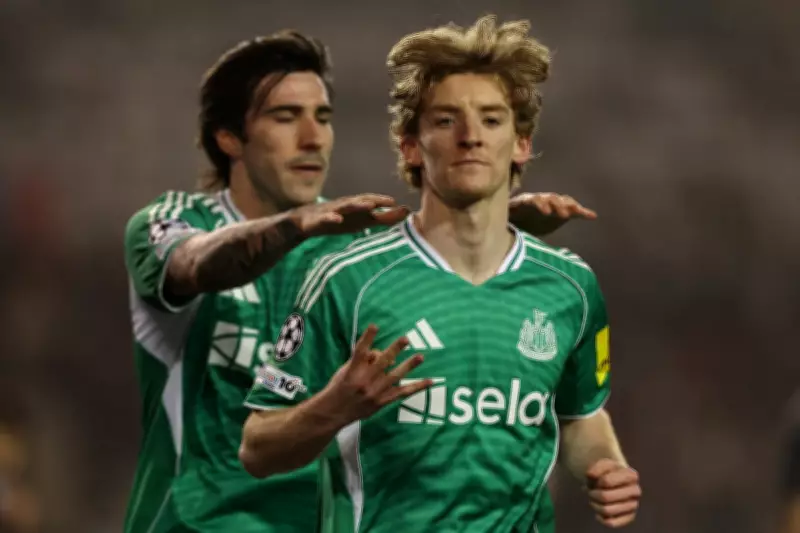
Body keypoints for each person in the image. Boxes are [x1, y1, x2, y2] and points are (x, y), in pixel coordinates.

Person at [123, 29, 597, 533]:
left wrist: (503, 219)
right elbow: (197, 264)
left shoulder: (350, 252)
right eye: (285, 116)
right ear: (228, 137)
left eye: (323, 117)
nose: (313, 138)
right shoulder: (175, 221)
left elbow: (437, 248)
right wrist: (297, 225)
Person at [240, 15, 640, 532]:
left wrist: (606, 467)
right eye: (447, 120)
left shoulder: (570, 287)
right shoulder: (346, 279)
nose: (471, 137)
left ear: (521, 142)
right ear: (411, 144)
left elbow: (579, 416)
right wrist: (334, 407)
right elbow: (257, 447)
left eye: (492, 120)